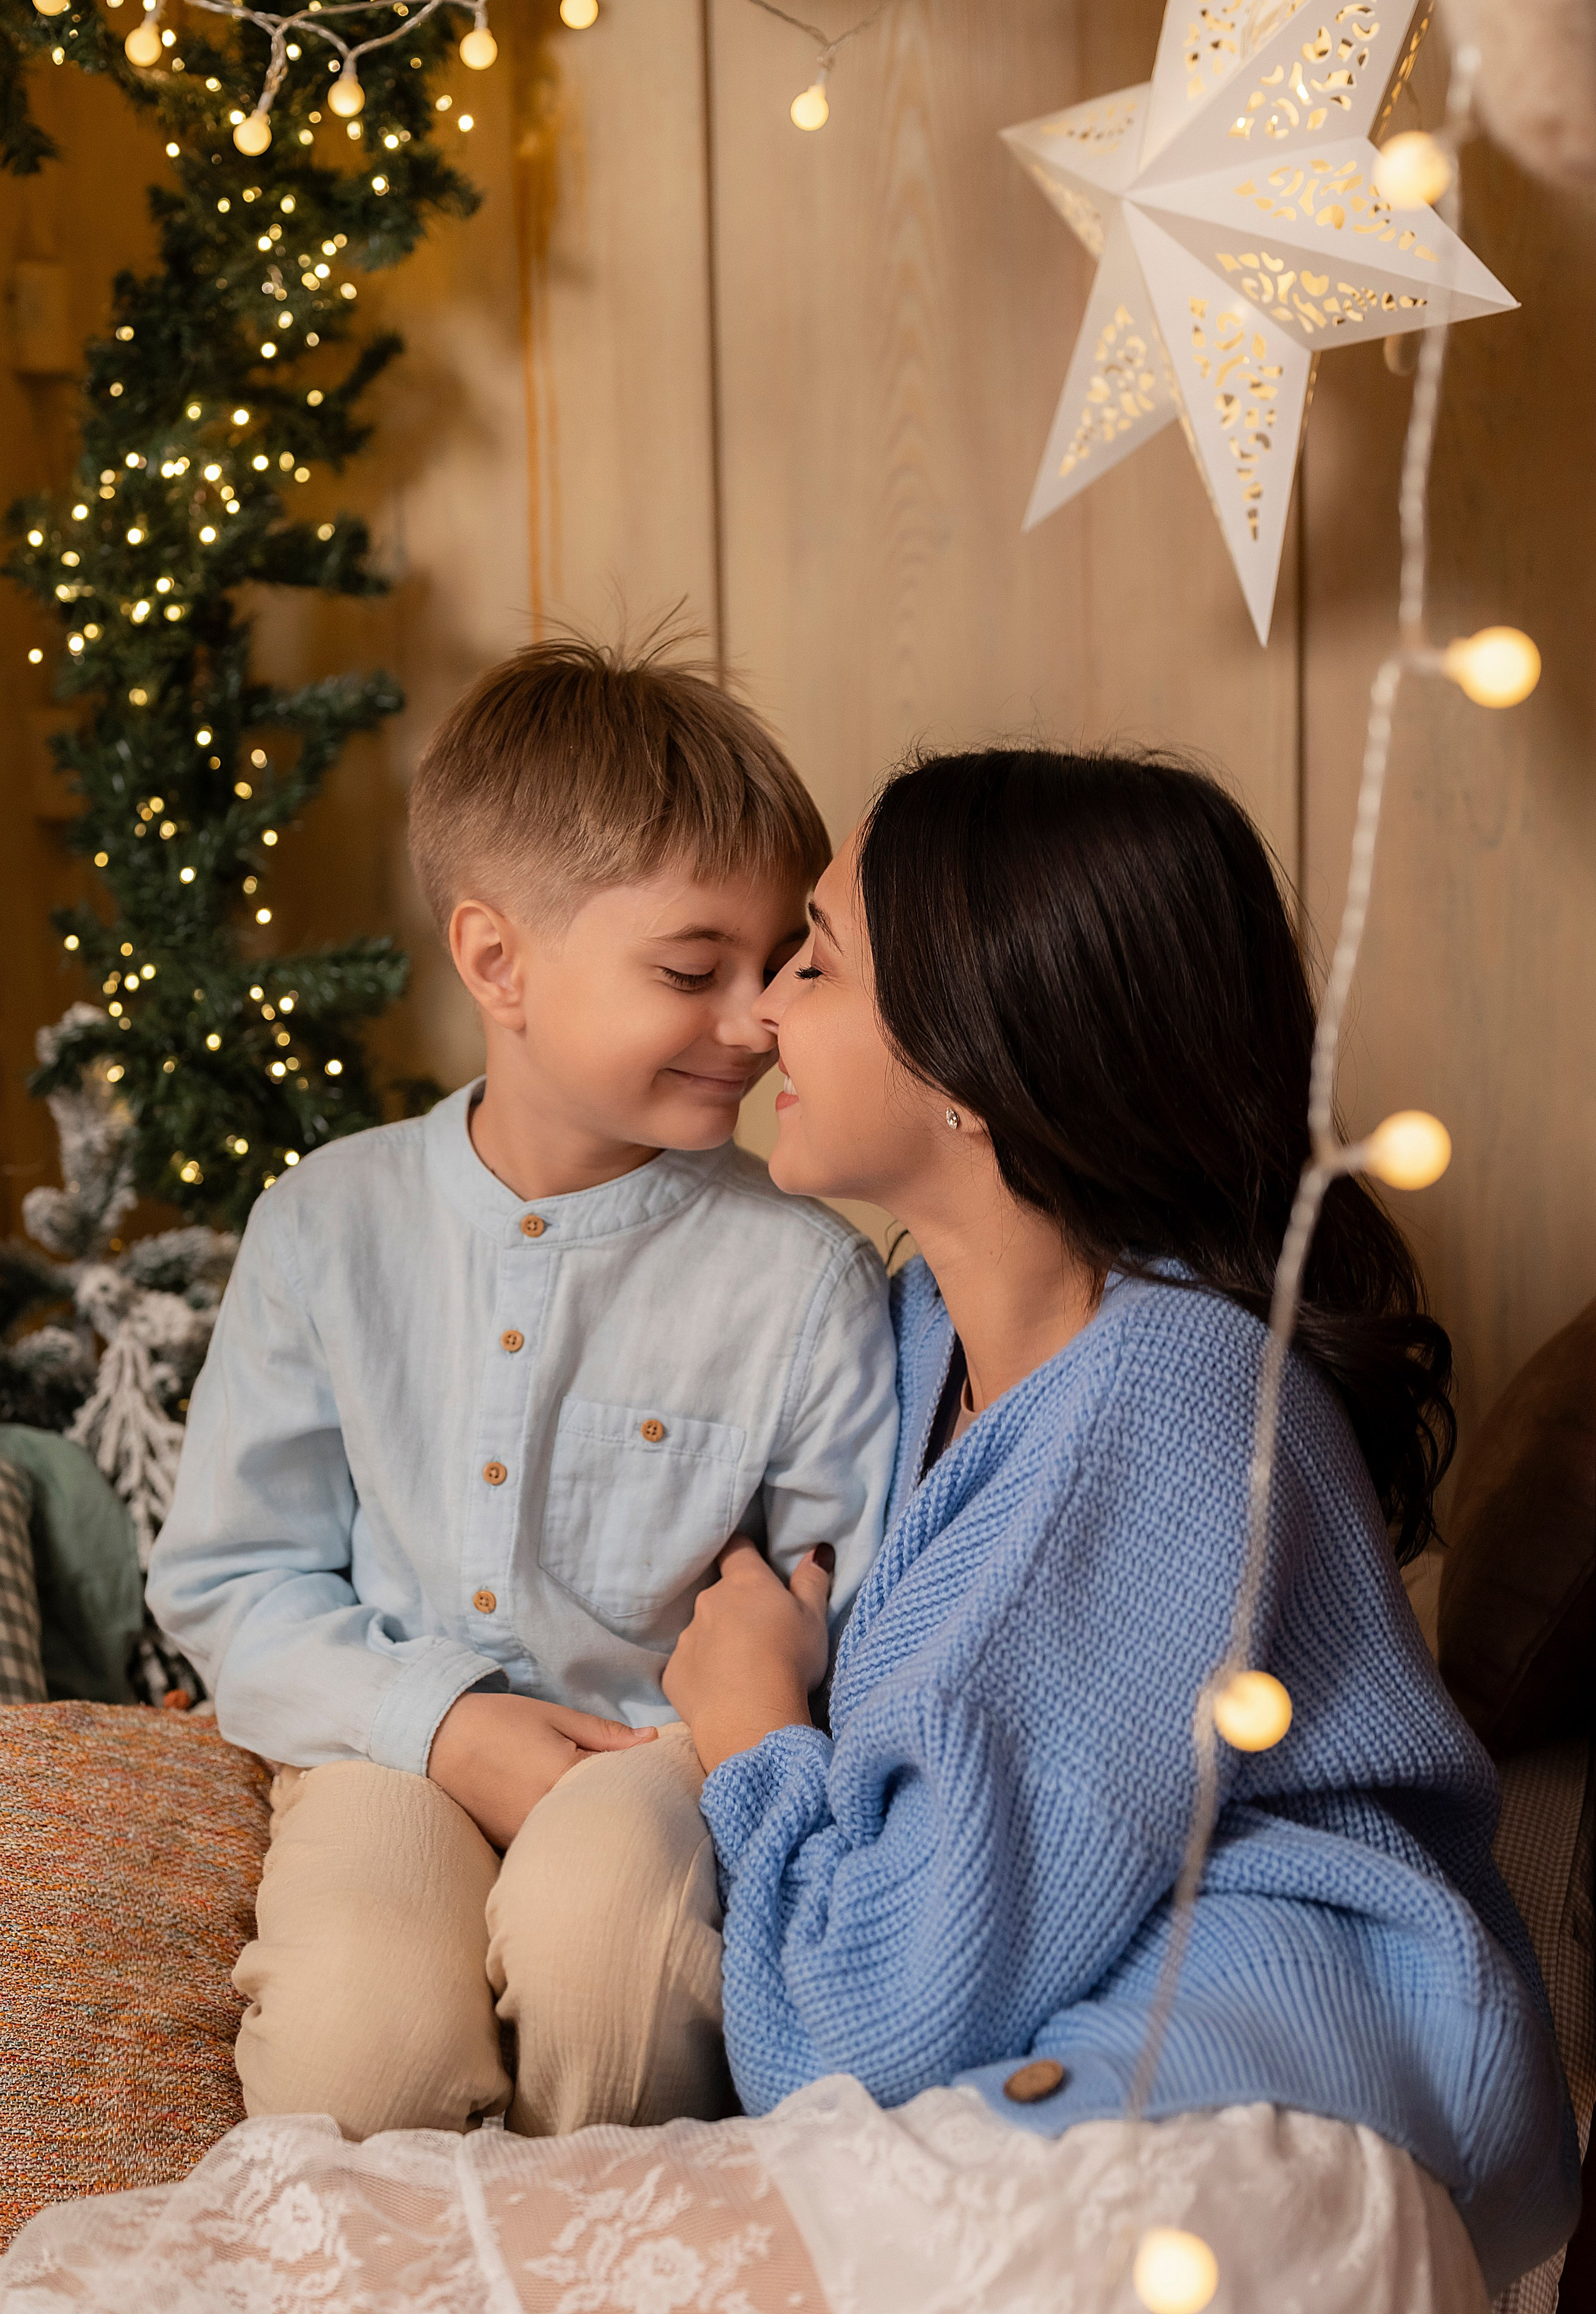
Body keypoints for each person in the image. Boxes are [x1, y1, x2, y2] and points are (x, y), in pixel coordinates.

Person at [11, 745, 1576, 2314]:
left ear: (971, 1059)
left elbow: (868, 2015)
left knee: (226, 2277)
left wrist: (753, 1724)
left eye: (810, 960)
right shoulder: (927, 1336)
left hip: (1210, 2142)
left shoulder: (1163, 1404)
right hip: (1069, 2090)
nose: (760, 1019)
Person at [145, 638, 898, 2143]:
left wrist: (720, 1724)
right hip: (380, 1743)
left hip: (655, 1768)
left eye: (781, 965)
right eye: (694, 970)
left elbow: (844, 1608)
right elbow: (232, 1575)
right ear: (497, 960)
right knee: (359, 2049)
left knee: (608, 1968)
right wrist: (438, 1720)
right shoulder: (327, 1223)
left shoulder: (802, 1279)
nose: (755, 1020)